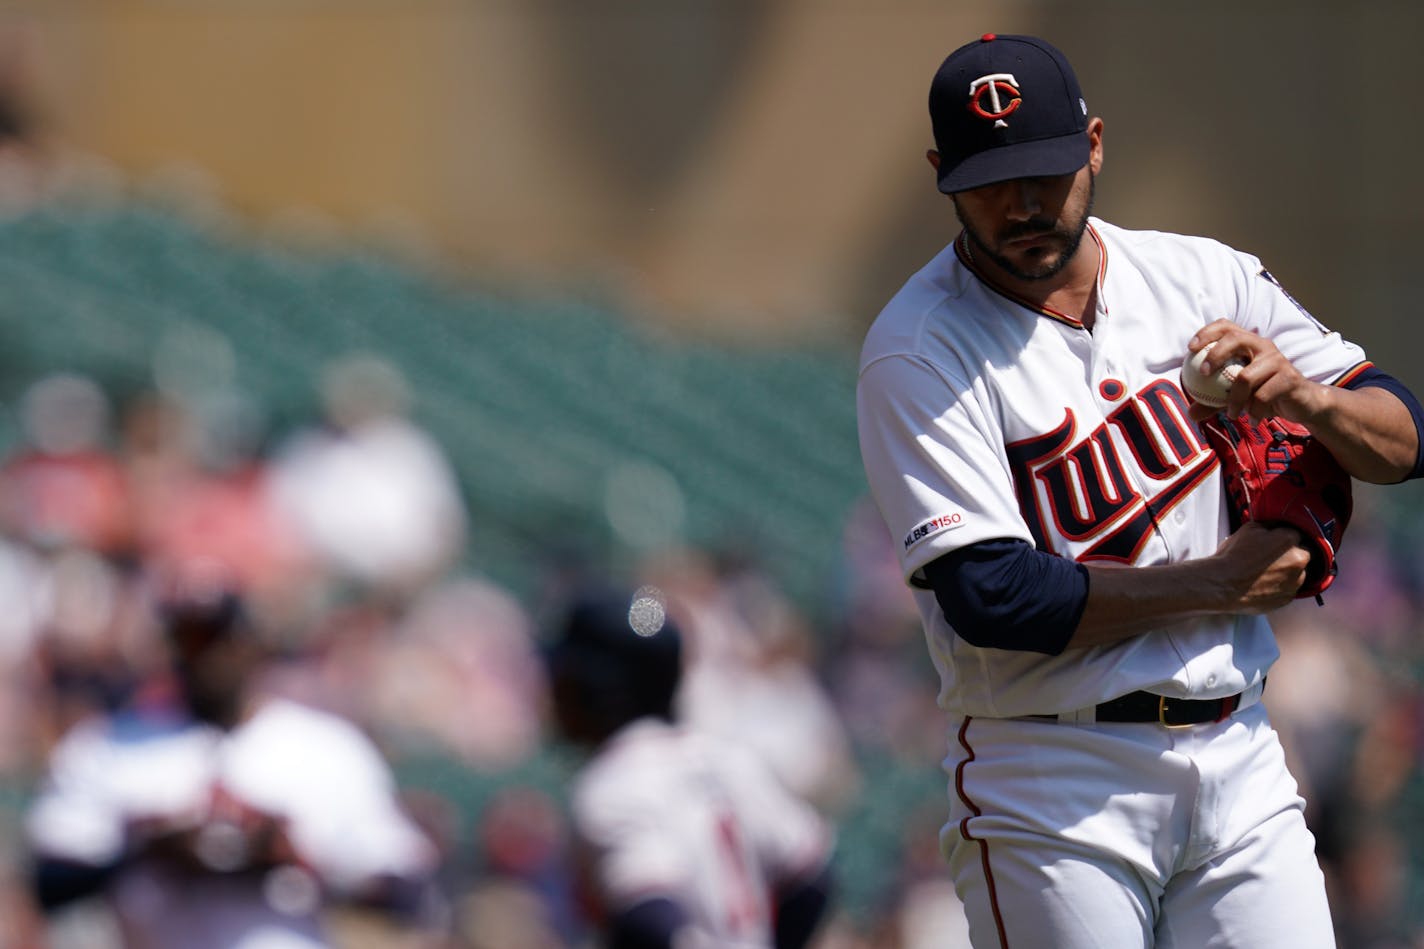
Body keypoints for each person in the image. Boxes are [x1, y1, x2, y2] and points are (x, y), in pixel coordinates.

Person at [854, 32, 1424, 949]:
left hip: (1238, 750)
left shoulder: (1201, 274)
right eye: (990, 181)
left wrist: (1305, 397)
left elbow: (1403, 439)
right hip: (1049, 777)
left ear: (1095, 146)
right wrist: (1225, 582)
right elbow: (991, 594)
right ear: (941, 174)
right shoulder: (920, 348)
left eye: (1044, 170)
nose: (1024, 203)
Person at [23, 567, 443, 949]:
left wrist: (295, 856)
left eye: (221, 637)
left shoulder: (328, 748)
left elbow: (409, 894)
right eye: (190, 638)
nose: (208, 654)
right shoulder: (106, 745)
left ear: (255, 642)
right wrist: (146, 850)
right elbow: (49, 884)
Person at [544, 585, 835, 949]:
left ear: (596, 688)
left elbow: (649, 919)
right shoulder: (729, 760)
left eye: (565, 676)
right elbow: (812, 879)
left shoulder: (611, 787)